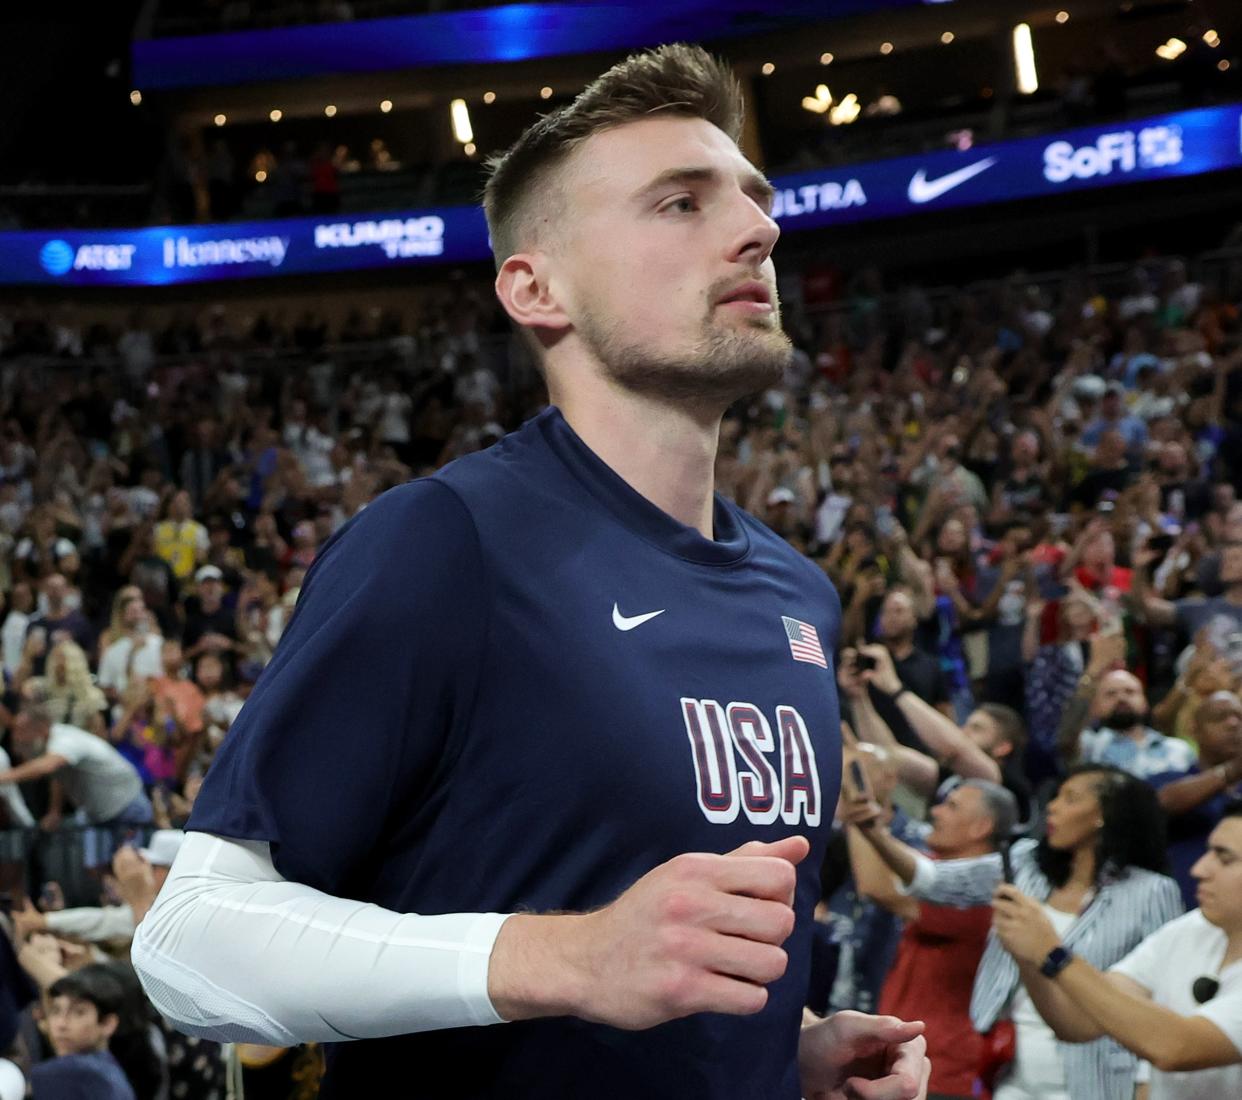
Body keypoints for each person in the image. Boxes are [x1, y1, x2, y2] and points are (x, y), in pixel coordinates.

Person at [133, 45, 929, 1100]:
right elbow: (190, 943)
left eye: (752, 196)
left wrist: (787, 1049)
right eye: (679, 204)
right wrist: (569, 958)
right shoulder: (448, 541)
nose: (758, 228)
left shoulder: (799, 593)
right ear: (534, 285)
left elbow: (650, 964)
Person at [846, 765, 1183, 1100]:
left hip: (1095, 1077)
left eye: (1070, 798)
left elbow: (1162, 994)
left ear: (1104, 815)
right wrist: (876, 833)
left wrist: (1147, 1082)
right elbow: (935, 879)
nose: (1052, 805)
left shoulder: (1152, 891)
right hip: (1012, 1070)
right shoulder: (1027, 864)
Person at [992, 801, 1242, 1098]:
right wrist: (1029, 956)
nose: (1199, 869)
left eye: (1224, 859)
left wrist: (1053, 952)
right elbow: (1078, 1021)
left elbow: (1177, 1047)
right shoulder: (1190, 930)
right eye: (1208, 852)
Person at [849, 780, 1019, 1100]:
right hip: (905, 1057)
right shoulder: (936, 868)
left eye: (952, 806)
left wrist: (854, 814)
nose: (936, 812)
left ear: (981, 827)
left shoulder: (982, 894)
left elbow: (877, 886)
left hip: (942, 1070)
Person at [1152, 691, 1242, 907]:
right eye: (1219, 717)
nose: (1233, 723)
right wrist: (1232, 770)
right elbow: (1163, 804)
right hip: (1178, 908)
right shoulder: (1168, 780)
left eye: (1240, 717)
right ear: (1194, 729)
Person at [1060, 668, 1196, 780]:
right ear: (1095, 707)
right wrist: (1091, 675)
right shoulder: (1088, 745)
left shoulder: (1179, 749)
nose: (1121, 698)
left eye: (1130, 692)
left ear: (1144, 702)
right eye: (1110, 694)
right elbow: (1066, 739)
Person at [31, 966, 136, 1100]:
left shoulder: (62, 1073)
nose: (61, 1024)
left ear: (107, 1024)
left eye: (79, 1012)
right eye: (56, 1010)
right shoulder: (111, 1070)